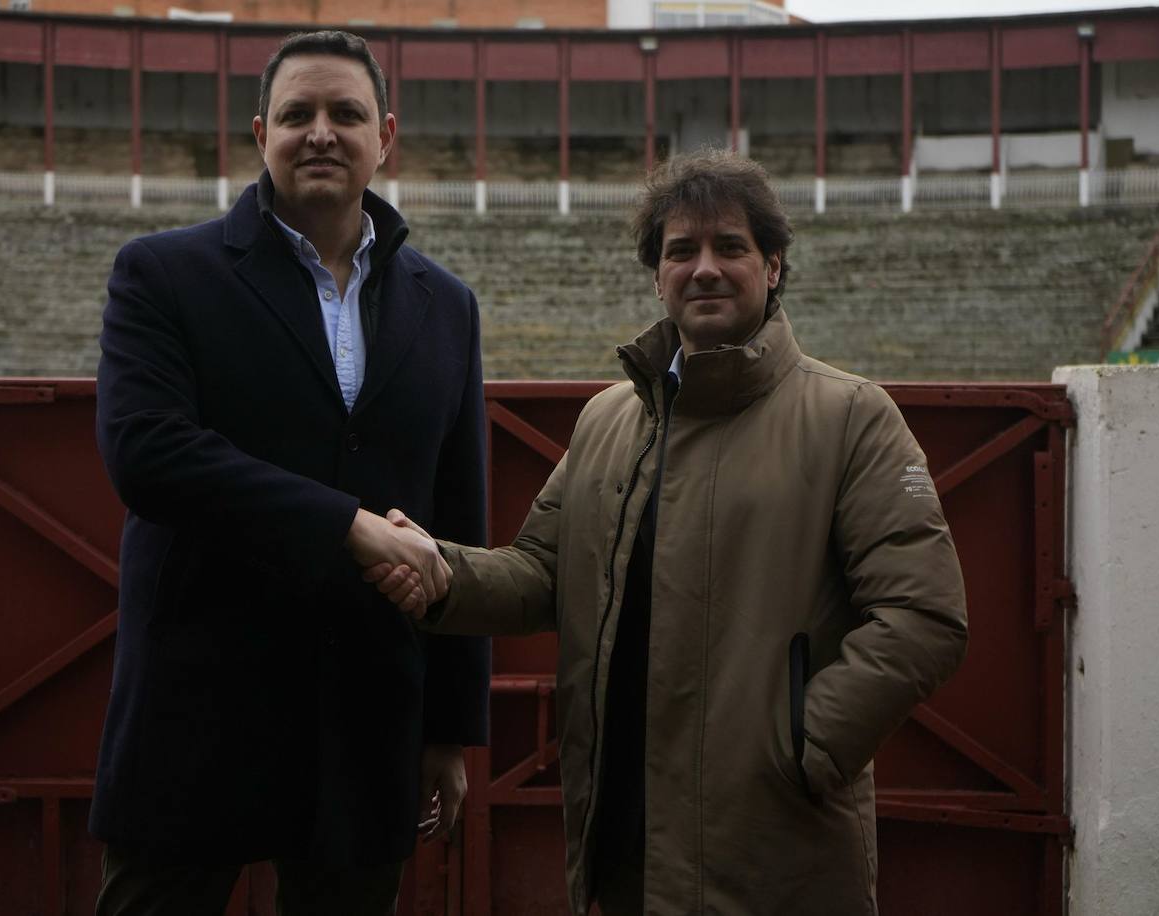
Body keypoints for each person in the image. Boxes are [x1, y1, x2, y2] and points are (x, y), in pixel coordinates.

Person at [367, 151, 969, 915]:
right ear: (658, 276)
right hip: (621, 832)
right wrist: (440, 570)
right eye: (682, 250)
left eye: (731, 247)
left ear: (773, 266)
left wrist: (801, 751)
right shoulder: (608, 419)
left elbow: (925, 618)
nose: (705, 268)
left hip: (772, 839)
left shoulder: (851, 416)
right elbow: (541, 573)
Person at [89, 29, 488, 916]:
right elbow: (147, 453)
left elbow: (458, 515)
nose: (321, 133)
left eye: (345, 114)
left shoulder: (447, 306)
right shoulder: (162, 273)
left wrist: (450, 731)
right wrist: (344, 526)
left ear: (384, 136)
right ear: (259, 132)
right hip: (198, 711)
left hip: (367, 715)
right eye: (298, 114)